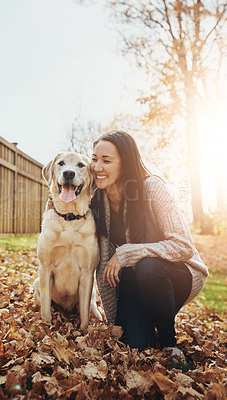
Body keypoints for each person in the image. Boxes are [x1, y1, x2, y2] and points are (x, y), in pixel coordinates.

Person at [90, 131, 208, 353]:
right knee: (135, 345)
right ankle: (151, 320)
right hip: (132, 282)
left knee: (147, 266)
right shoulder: (96, 198)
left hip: (175, 273)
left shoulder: (152, 187)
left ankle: (169, 344)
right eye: (94, 158)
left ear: (125, 163)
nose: (97, 167)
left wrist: (126, 253)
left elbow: (183, 246)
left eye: (106, 161)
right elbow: (104, 268)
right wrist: (116, 322)